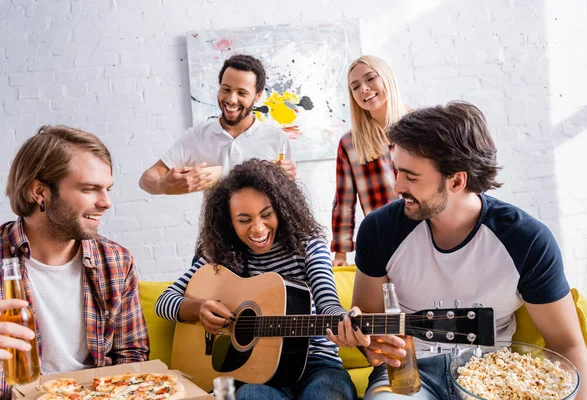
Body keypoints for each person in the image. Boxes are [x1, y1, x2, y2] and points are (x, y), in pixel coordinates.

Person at [335, 102, 587, 399]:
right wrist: (368, 342)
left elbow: (566, 344)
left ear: (457, 180)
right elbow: (369, 322)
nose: (396, 186)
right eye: (397, 171)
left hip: (495, 375)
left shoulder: (526, 240)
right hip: (407, 371)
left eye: (411, 176)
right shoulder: (379, 230)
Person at [155, 159, 364, 400]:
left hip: (318, 364)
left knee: (327, 394)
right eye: (244, 220)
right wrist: (199, 308)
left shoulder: (308, 248)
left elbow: (327, 302)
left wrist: (344, 322)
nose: (257, 229)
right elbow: (164, 301)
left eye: (266, 215)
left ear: (282, 210)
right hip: (255, 374)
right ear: (229, 222)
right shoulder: (223, 256)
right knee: (249, 396)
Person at [0, 125, 149, 399]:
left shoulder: (116, 262)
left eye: (107, 189)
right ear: (40, 192)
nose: (106, 202)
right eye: (90, 189)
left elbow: (132, 356)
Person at [139, 54, 296, 197]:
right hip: (215, 228)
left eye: (242, 93)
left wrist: (287, 182)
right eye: (226, 89)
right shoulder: (197, 136)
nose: (231, 99)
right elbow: (146, 179)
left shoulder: (276, 139)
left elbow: (288, 196)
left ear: (258, 96)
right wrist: (162, 185)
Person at [331, 55, 408, 266]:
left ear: (386, 78)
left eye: (370, 79)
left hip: (428, 235)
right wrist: (340, 253)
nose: (363, 89)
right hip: (383, 243)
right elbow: (344, 202)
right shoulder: (349, 143)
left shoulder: (422, 125)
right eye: (355, 87)